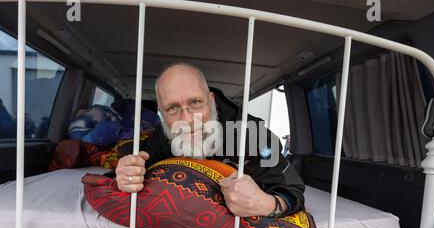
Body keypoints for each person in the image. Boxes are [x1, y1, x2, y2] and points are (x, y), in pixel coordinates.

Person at [109, 62, 306, 218]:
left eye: (195, 103)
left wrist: (266, 204)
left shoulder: (254, 135)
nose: (186, 120)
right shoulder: (165, 134)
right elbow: (137, 166)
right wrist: (128, 173)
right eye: (172, 108)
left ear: (210, 100)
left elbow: (292, 190)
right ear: (162, 113)